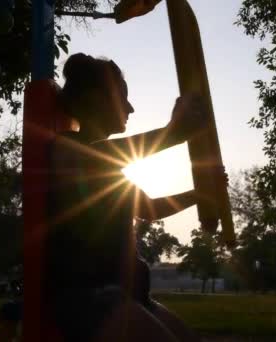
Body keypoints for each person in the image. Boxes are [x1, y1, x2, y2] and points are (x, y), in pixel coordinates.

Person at [46, 53, 211, 342]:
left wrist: (198, 195)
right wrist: (172, 134)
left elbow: (149, 209)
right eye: (123, 97)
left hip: (128, 294)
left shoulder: (113, 172)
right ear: (97, 99)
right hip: (87, 296)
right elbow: (92, 158)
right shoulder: (66, 147)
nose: (130, 108)